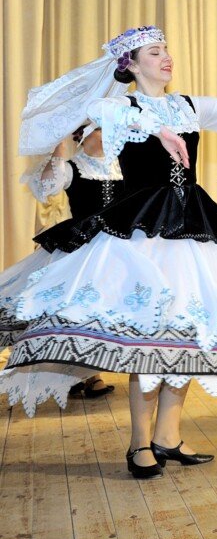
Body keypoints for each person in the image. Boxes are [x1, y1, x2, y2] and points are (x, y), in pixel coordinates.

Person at [0, 25, 217, 480]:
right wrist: (160, 129)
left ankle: (168, 436)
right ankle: (138, 444)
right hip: (143, 233)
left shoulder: (189, 105)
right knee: (149, 338)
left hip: (189, 231)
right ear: (130, 64)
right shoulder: (119, 105)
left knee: (183, 333)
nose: (166, 57)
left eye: (166, 49)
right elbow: (105, 112)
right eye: (154, 51)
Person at [0, 127, 123, 397]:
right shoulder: (71, 167)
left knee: (100, 312)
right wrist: (58, 149)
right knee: (77, 310)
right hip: (81, 249)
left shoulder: (121, 165)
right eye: (99, 128)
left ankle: (86, 373)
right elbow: (46, 188)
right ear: (83, 134)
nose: (107, 132)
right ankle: (85, 376)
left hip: (117, 249)